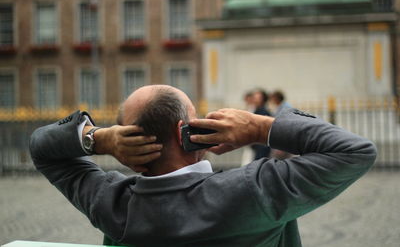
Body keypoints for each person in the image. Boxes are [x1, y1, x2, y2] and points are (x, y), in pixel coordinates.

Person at [29, 84, 377, 247]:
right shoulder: (254, 191)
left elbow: (42, 148)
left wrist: (98, 138)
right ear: (187, 134)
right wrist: (260, 127)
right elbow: (354, 152)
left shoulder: (110, 202)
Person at [251, 88, 272, 160]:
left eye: (258, 98)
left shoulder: (264, 112)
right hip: (257, 145)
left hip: (262, 145)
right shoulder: (256, 111)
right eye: (254, 97)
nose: (255, 99)